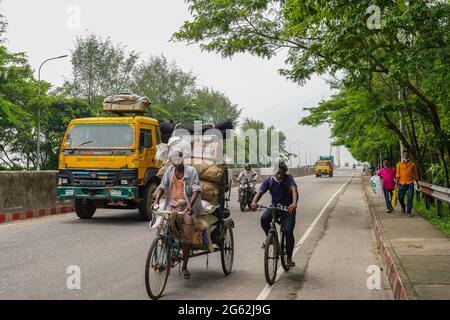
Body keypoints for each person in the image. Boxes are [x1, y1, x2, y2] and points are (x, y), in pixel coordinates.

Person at [153, 147, 202, 280]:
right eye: (174, 161)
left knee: (187, 234)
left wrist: (190, 206)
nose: (176, 163)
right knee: (162, 226)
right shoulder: (169, 172)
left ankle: (185, 266)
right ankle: (166, 249)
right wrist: (156, 201)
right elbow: (161, 187)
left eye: (178, 161)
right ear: (172, 162)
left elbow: (196, 189)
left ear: (182, 160)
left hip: (187, 206)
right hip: (173, 205)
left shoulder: (191, 171)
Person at [251, 162, 299, 268]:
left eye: (282, 173)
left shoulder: (288, 179)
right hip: (275, 208)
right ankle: (272, 239)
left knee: (287, 231)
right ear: (274, 172)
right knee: (264, 219)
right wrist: (254, 202)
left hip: (288, 210)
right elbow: (259, 193)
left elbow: (294, 190)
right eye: (278, 173)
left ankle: (289, 258)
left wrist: (294, 203)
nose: (280, 175)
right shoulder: (269, 180)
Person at [396, 150, 419, 217]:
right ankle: (403, 206)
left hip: (410, 183)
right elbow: (397, 175)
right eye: (404, 154)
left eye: (406, 154)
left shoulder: (412, 164)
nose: (405, 155)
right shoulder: (399, 164)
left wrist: (417, 184)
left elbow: (415, 175)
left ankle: (409, 212)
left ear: (408, 155)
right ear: (402, 155)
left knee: (410, 198)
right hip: (401, 183)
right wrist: (396, 185)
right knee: (400, 197)